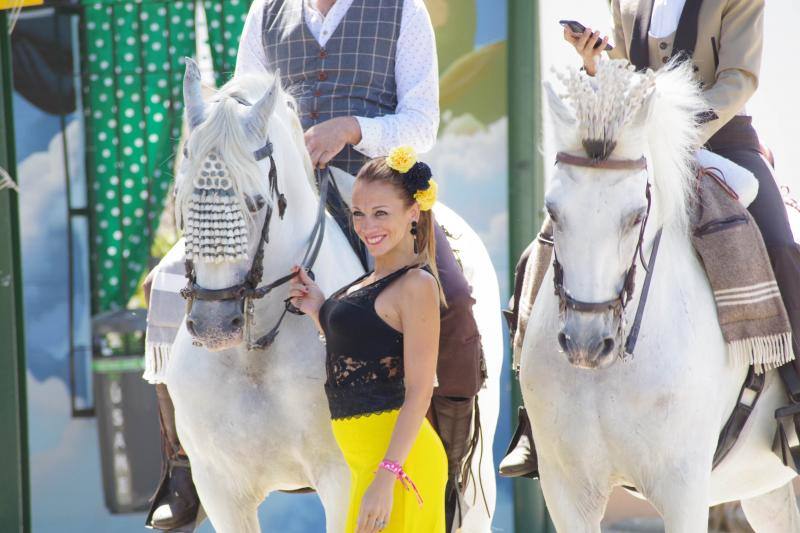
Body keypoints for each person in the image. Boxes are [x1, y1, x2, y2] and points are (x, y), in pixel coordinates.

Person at [145, 1, 484, 529]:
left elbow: (422, 125)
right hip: (274, 192)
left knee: (456, 297)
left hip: (372, 192)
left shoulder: (401, 10)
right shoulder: (267, 10)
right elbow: (242, 107)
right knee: (165, 282)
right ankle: (182, 465)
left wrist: (350, 129)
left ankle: (449, 471)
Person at [500, 0, 800, 478]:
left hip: (719, 138)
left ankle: (796, 395)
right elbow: (630, 75)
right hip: (639, 144)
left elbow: (739, 79)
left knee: (782, 246)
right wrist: (596, 59)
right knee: (548, 240)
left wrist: (674, 132)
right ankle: (533, 421)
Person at [288, 148, 447, 532]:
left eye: (380, 213)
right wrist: (320, 309)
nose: (366, 225)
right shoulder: (365, 283)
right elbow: (365, 352)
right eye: (358, 213)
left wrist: (386, 478)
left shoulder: (418, 285)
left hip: (398, 469)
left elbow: (420, 392)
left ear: (413, 213)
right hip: (366, 466)